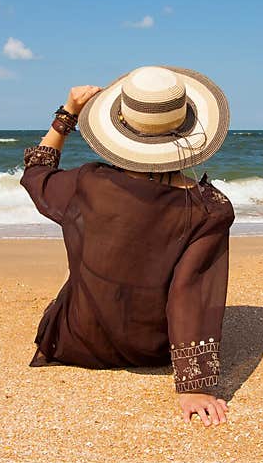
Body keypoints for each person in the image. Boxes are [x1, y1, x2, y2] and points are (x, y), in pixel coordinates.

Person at [19, 65, 235, 426]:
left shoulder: (88, 184)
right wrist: (193, 384)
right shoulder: (209, 208)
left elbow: (36, 172)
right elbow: (189, 291)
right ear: (187, 125)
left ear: (121, 124)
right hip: (153, 350)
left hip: (77, 338)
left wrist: (67, 113)